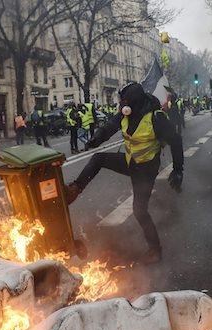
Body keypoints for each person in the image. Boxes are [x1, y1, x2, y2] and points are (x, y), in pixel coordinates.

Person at [65, 82, 184, 264]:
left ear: (135, 102)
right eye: (122, 102)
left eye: (126, 102)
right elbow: (109, 127)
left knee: (139, 210)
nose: (123, 106)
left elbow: (176, 141)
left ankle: (155, 250)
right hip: (131, 162)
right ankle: (74, 189)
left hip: (146, 170)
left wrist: (178, 170)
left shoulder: (156, 117)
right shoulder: (125, 113)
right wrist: (96, 138)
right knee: (98, 158)